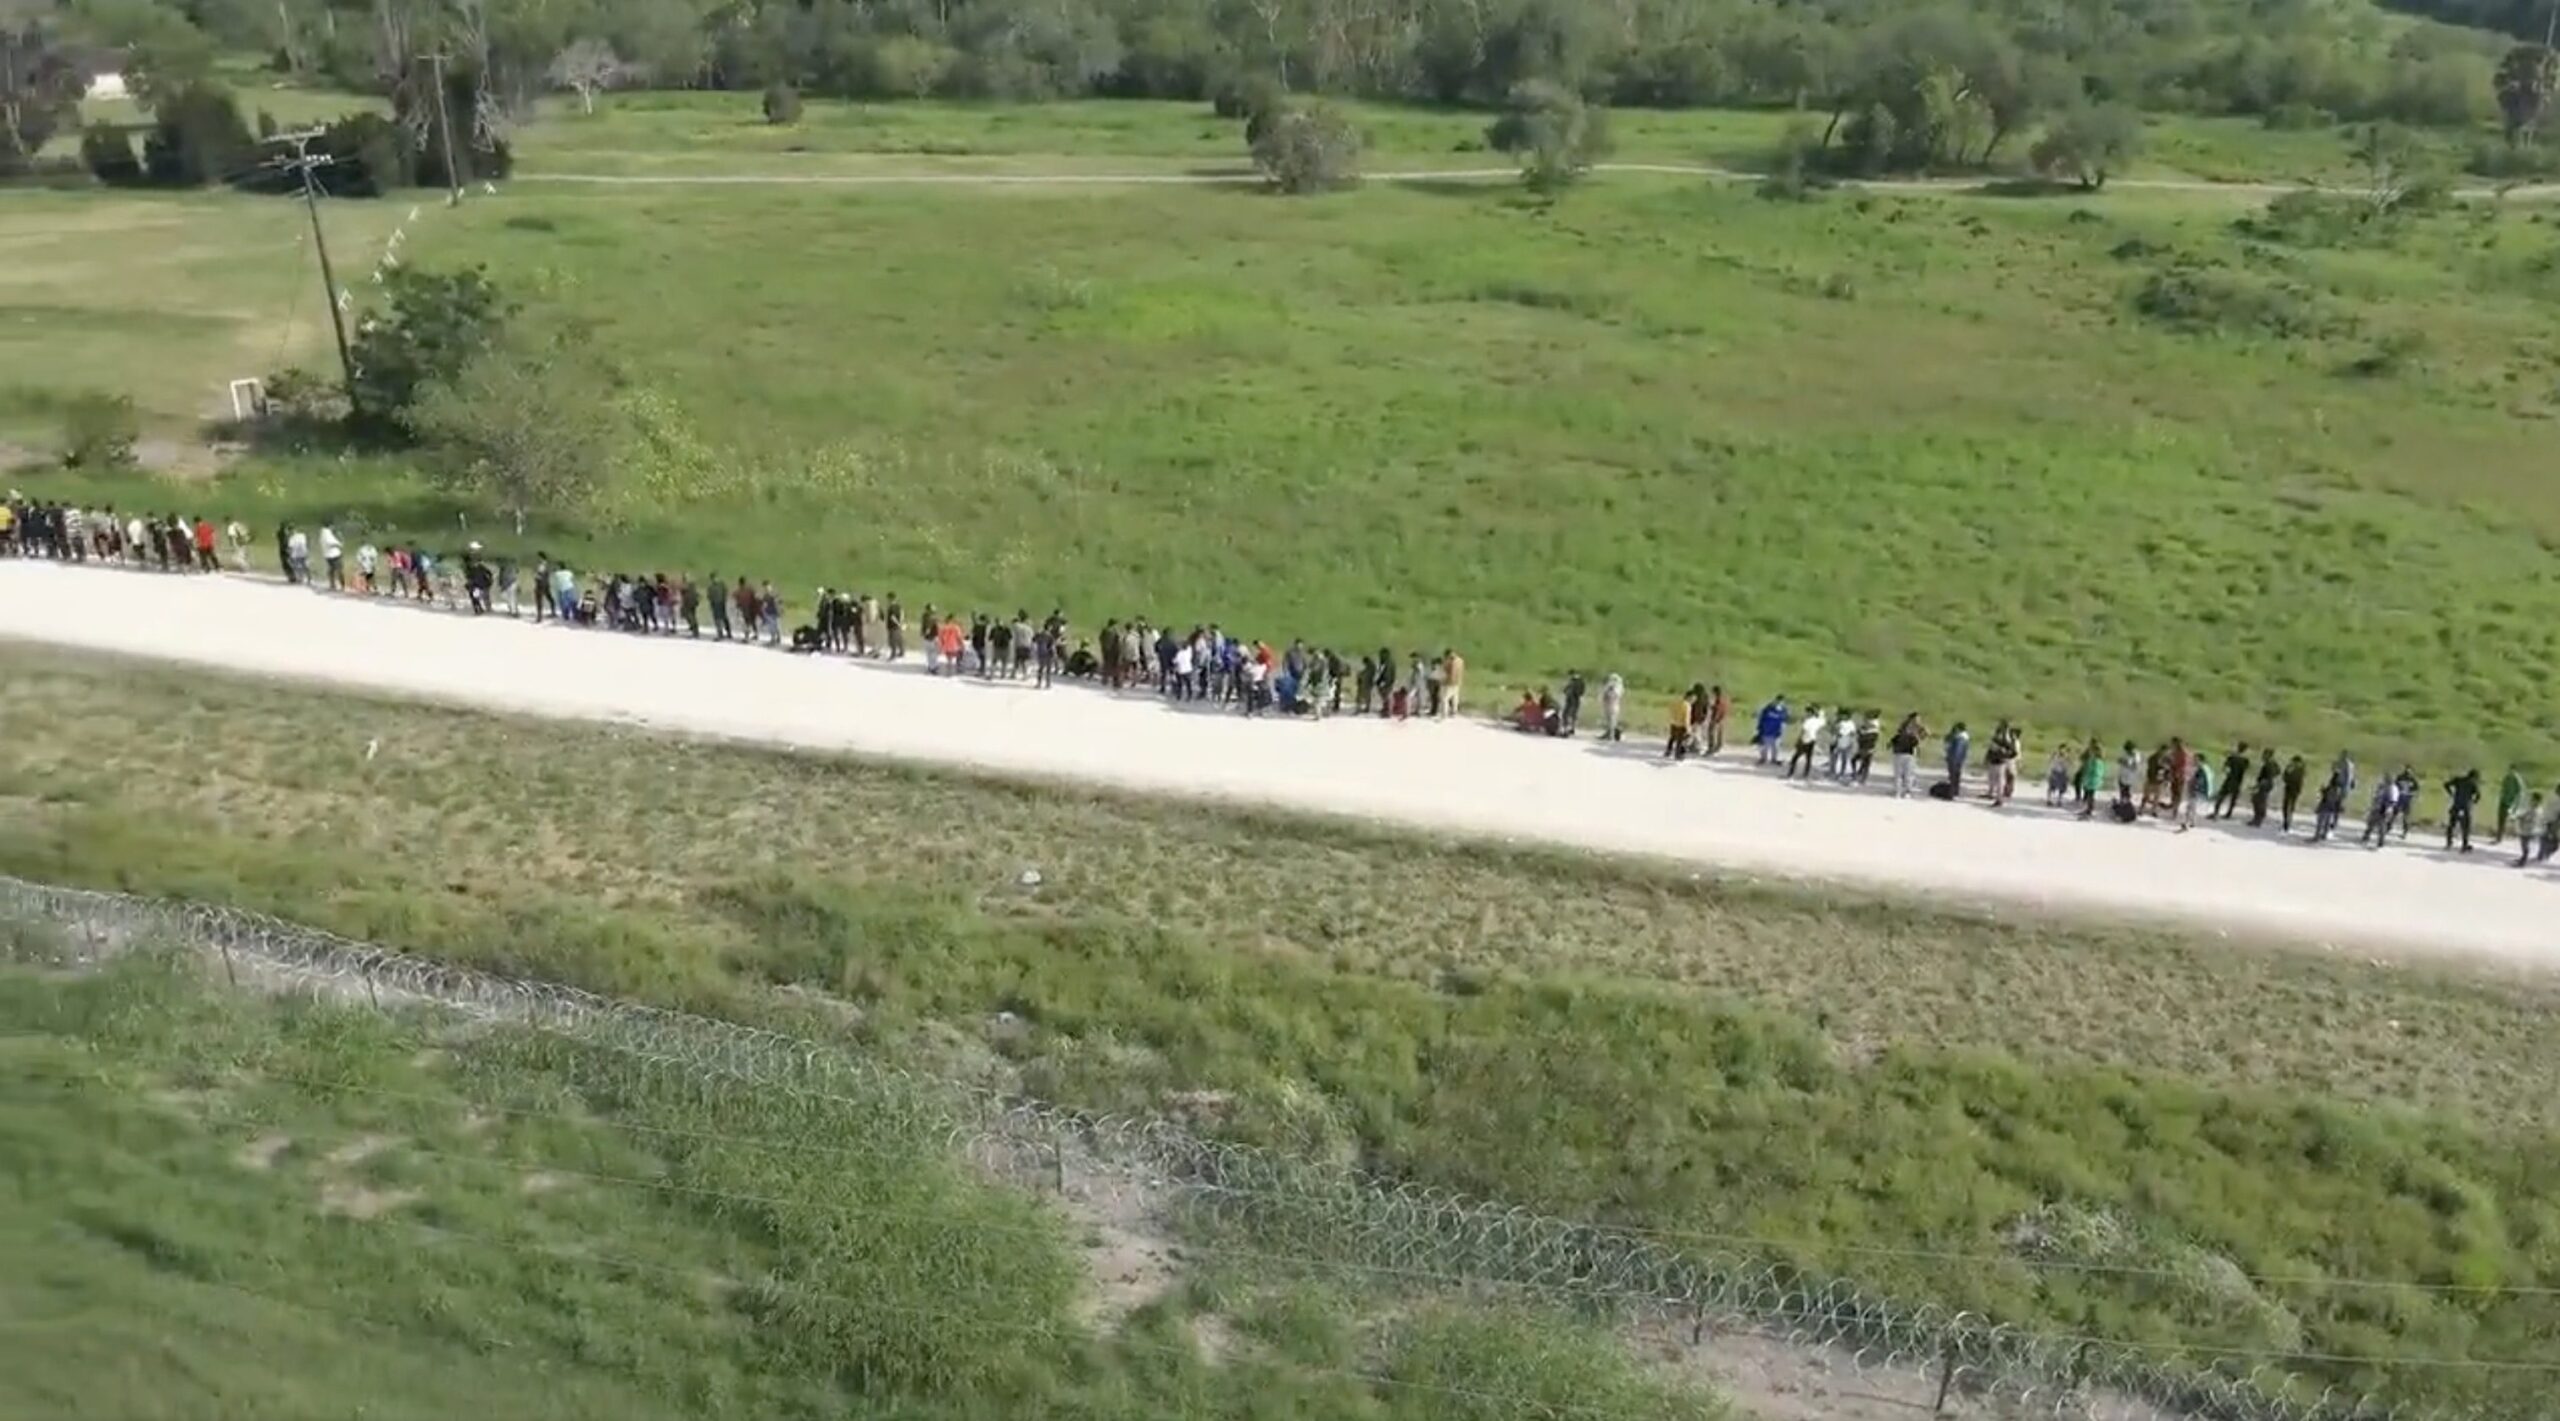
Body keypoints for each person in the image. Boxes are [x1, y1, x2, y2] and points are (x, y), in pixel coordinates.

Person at [2443, 769, 2482, 852]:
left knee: (2451, 825)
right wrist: (2473, 801)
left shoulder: (2458, 780)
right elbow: (2478, 795)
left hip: (2456, 806)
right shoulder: (2473, 783)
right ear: (2474, 777)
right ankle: (2464, 846)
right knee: (2466, 827)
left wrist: (2451, 793)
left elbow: (2446, 785)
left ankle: (2449, 843)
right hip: (2465, 807)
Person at [1888, 713, 1926, 799]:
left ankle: (1901, 791)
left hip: (1903, 753)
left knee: (1903, 773)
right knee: (1906, 773)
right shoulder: (1909, 731)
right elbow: (1917, 742)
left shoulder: (1904, 731)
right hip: (1907, 753)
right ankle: (1904, 791)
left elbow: (1892, 742)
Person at [1787, 703, 1825, 780]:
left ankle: (1791, 773)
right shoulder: (1817, 721)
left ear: (1810, 713)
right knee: (1808, 758)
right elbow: (1822, 720)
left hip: (1805, 740)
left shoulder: (1807, 721)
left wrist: (1798, 740)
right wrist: (1820, 711)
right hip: (1812, 740)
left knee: (1795, 758)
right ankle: (1806, 774)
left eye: (1807, 712)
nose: (1806, 714)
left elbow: (1803, 731)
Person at [2359, 776, 2399, 848]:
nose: (2383, 781)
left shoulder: (2391, 789)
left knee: (2379, 825)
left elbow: (2392, 801)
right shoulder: (2384, 787)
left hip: (2383, 809)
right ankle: (2368, 838)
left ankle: (2377, 841)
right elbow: (2376, 797)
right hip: (2379, 808)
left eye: (2384, 780)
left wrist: (2389, 808)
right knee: (2372, 823)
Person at [2214, 744, 2249, 819]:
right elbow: (2245, 771)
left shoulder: (2232, 758)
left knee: (2221, 796)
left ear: (2238, 748)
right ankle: (2229, 814)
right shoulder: (2245, 761)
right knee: (2233, 799)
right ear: (2245, 750)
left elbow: (2225, 768)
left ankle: (2216, 812)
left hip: (2229, 779)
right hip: (2238, 781)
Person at [2312, 769, 2348, 843]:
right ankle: (2324, 835)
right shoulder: (2339, 788)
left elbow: (2326, 795)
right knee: (2327, 822)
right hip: (2332, 807)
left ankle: (2317, 836)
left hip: (2326, 806)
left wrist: (2322, 790)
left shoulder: (2332, 787)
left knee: (2321, 821)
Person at [2248, 748, 2280, 828]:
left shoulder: (2268, 765)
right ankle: (2258, 818)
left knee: (2258, 801)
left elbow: (2267, 777)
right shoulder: (2273, 763)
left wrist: (2258, 785)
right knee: (2260, 801)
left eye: (2264, 754)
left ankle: (2258, 819)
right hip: (2268, 784)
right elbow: (2278, 771)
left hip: (2264, 784)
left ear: (2268, 755)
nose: (2262, 756)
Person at [2075, 739, 2106, 819]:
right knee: (2090, 795)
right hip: (2092, 779)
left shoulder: (2095, 761)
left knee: (2090, 795)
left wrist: (2086, 776)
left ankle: (2089, 810)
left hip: (2092, 780)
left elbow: (2093, 771)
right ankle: (2088, 809)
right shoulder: (2098, 759)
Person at [2495, 766, 2526, 843]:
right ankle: (2499, 837)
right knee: (2501, 819)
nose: (2510, 771)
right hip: (2503, 801)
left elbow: (2520, 792)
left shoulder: (2517, 779)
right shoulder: (2507, 777)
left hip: (2511, 803)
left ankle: (2516, 835)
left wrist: (2516, 804)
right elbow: (2503, 788)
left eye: (2511, 770)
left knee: (2509, 819)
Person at [1755, 696, 1789, 766]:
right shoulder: (1768, 708)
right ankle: (1763, 758)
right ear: (1775, 700)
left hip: (1776, 732)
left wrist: (1781, 730)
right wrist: (1760, 728)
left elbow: (1784, 722)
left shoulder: (1783, 711)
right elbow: (1761, 718)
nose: (1779, 703)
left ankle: (1774, 759)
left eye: (1781, 702)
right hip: (1766, 731)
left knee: (1776, 747)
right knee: (1765, 746)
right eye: (1778, 701)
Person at [2181, 755, 2211, 832]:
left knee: (2190, 807)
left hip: (2195, 790)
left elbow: (2198, 781)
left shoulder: (2201, 770)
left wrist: (2191, 783)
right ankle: (2192, 822)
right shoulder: (2204, 769)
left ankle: (2186, 823)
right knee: (2193, 807)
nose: (2194, 761)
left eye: (2196, 760)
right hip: (2197, 790)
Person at [2280, 754, 2307, 834]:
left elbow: (2288, 778)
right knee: (2287, 807)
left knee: (2289, 807)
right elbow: (2285, 777)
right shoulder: (2298, 769)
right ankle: (2286, 823)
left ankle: (2287, 824)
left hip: (2293, 790)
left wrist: (2288, 772)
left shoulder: (2300, 770)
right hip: (2290, 790)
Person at [2518, 793, 2548, 867]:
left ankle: (2524, 859)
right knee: (2523, 843)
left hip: (2530, 829)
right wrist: (2522, 817)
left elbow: (2534, 819)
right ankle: (2523, 857)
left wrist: (2524, 818)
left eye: (2534, 800)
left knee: (2525, 844)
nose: (2532, 801)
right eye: (2532, 799)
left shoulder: (2537, 810)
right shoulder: (2531, 808)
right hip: (2526, 828)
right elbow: (2525, 815)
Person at [1942, 722, 1971, 797]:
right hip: (1960, 760)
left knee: (1953, 776)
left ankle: (1951, 793)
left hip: (1954, 760)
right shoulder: (1964, 738)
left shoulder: (1959, 739)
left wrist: (1952, 759)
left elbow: (1957, 751)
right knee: (1956, 776)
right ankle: (1955, 791)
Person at [1600, 672, 1625, 742]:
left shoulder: (1618, 688)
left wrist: (1611, 690)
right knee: (1607, 721)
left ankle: (1612, 736)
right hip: (1607, 705)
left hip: (1614, 706)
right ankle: (1607, 734)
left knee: (1612, 721)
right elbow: (1604, 694)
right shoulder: (1608, 686)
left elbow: (1616, 695)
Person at [318, 524, 344, 590]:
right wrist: (339, 544)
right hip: (334, 554)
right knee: (339, 570)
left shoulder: (323, 533)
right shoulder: (327, 533)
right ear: (330, 526)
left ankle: (332, 584)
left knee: (331, 570)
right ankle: (342, 585)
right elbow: (330, 542)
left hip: (327, 555)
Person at [2045, 743, 2072, 808]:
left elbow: (2069, 765)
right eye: (2062, 749)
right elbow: (2050, 761)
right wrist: (2050, 771)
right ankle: (2049, 800)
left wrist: (2068, 773)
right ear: (2059, 749)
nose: (2063, 751)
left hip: (2062, 773)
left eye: (2064, 749)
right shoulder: (2055, 755)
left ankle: (2059, 800)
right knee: (2051, 787)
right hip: (2055, 772)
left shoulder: (2067, 756)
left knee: (2062, 788)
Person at [1559, 670, 1584, 736]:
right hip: (1575, 700)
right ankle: (1572, 728)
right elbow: (1581, 692)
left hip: (1572, 700)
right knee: (1573, 715)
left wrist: (1567, 692)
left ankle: (1567, 729)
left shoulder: (1573, 681)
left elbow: (1566, 690)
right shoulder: (1580, 681)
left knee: (1567, 714)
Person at [1706, 685, 1730, 755]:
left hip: (1717, 719)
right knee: (1719, 733)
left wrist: (1714, 719)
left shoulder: (1719, 699)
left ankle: (1711, 748)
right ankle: (1718, 746)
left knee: (1711, 733)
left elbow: (1718, 709)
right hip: (1722, 719)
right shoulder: (1724, 699)